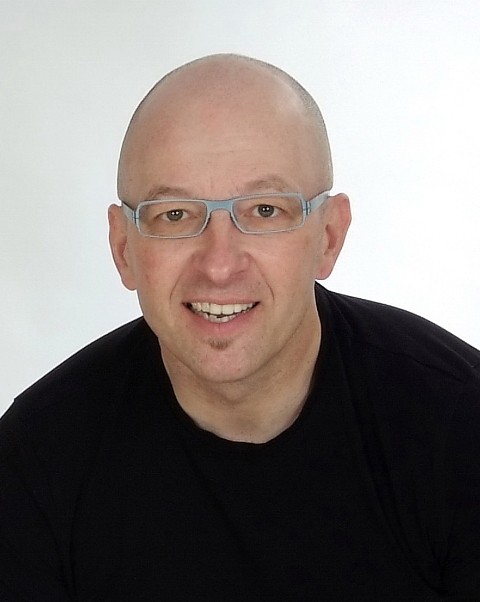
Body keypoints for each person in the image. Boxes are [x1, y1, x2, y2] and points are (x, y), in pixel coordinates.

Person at [0, 54, 479, 602]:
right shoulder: (36, 464)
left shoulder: (459, 425)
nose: (219, 265)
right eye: (174, 214)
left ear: (329, 237)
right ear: (123, 247)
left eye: (265, 211)